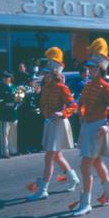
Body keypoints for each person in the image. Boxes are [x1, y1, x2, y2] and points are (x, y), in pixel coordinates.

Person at [72, 38, 109, 216]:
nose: (90, 70)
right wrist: (80, 113)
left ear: (101, 68)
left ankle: (85, 202)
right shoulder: (88, 86)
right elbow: (82, 103)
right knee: (97, 163)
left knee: (85, 166)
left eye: (94, 67)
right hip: (87, 127)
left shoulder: (106, 87)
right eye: (89, 67)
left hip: (98, 128)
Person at [27, 47, 80, 201]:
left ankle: (43, 189)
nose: (44, 76)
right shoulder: (45, 88)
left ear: (54, 74)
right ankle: (73, 178)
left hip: (59, 123)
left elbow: (73, 106)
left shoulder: (61, 88)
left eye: (47, 73)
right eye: (44, 73)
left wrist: (61, 113)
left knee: (49, 156)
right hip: (50, 123)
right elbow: (42, 104)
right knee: (56, 156)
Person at [0, 72, 18, 158]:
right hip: (4, 114)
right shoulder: (0, 88)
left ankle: (13, 150)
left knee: (13, 134)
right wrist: (6, 103)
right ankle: (5, 152)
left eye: (7, 77)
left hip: (14, 114)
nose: (5, 79)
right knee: (4, 134)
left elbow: (19, 98)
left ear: (10, 78)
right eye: (4, 77)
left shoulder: (14, 87)